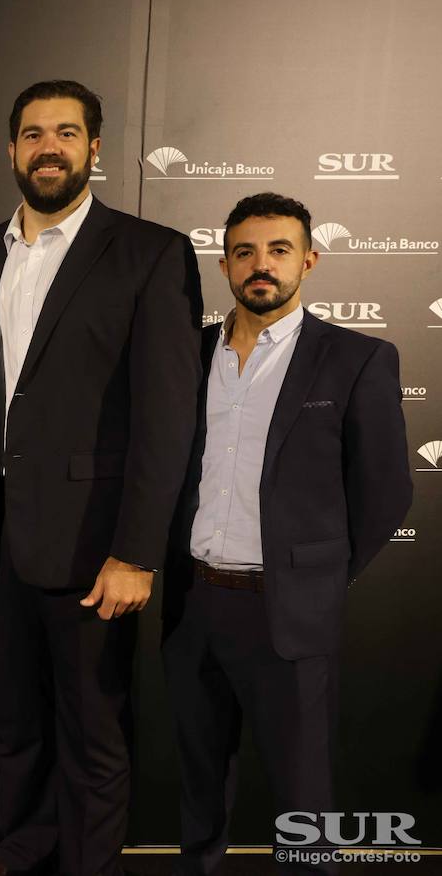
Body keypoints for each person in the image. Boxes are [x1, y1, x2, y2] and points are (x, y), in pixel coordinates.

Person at [0, 80, 203, 876]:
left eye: (65, 132)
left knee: (93, 731)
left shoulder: (149, 252)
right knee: (15, 724)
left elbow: (167, 417)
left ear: (95, 148)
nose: (47, 146)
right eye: (31, 133)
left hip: (96, 548)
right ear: (11, 150)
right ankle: (22, 851)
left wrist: (138, 551)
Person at [161, 194, 411, 875]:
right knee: (198, 784)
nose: (260, 265)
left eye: (277, 250)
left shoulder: (357, 358)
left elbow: (387, 491)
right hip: (194, 605)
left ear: (309, 258)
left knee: (304, 798)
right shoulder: (191, 352)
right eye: (244, 252)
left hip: (287, 611)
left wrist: (317, 574)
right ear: (224, 265)